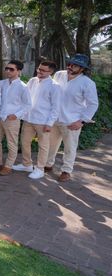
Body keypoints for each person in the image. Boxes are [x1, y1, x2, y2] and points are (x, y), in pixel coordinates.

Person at [46, 54, 99, 182]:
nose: (70, 67)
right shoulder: (59, 75)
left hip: (72, 121)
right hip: (54, 118)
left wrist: (81, 121)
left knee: (70, 148)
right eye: (69, 64)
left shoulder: (87, 83)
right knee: (50, 144)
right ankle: (47, 164)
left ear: (82, 68)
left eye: (74, 65)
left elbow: (93, 104)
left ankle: (66, 170)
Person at [13, 60, 60, 180]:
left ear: (50, 72)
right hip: (28, 118)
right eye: (39, 69)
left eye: (43, 70)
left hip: (43, 121)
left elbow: (56, 107)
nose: (39, 71)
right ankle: (26, 164)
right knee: (24, 142)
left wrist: (50, 123)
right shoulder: (32, 80)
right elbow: (25, 99)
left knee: (43, 146)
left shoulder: (55, 86)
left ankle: (40, 169)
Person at [0, 60, 31, 176]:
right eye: (7, 68)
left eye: (11, 69)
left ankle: (8, 166)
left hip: (12, 120)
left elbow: (28, 105)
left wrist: (16, 115)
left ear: (18, 71)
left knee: (12, 144)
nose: (8, 71)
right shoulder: (1, 83)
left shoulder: (23, 87)